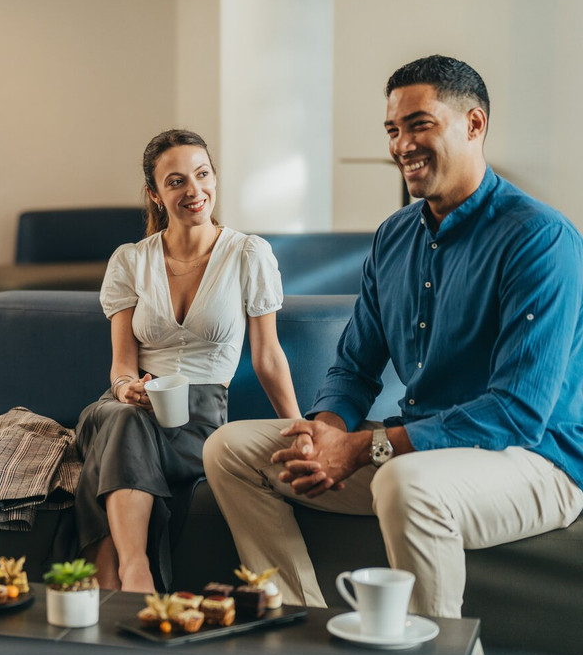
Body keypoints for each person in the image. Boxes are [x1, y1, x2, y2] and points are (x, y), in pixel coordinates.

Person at [203, 55, 583, 618]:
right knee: (231, 449)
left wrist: (364, 448)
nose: (402, 145)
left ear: (474, 124)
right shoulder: (394, 237)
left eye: (419, 125)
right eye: (392, 130)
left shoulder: (540, 239)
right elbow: (354, 368)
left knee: (405, 482)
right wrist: (326, 432)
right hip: (421, 449)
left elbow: (518, 412)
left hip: (535, 460)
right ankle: (301, 624)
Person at [75, 129, 301, 593]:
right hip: (129, 406)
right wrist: (125, 388)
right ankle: (137, 571)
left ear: (214, 178)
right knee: (122, 419)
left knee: (119, 436)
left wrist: (299, 429)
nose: (194, 190)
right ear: (155, 194)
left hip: (198, 420)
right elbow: (122, 365)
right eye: (176, 181)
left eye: (202, 175)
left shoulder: (248, 254)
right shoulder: (129, 261)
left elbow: (267, 356)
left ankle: (107, 575)